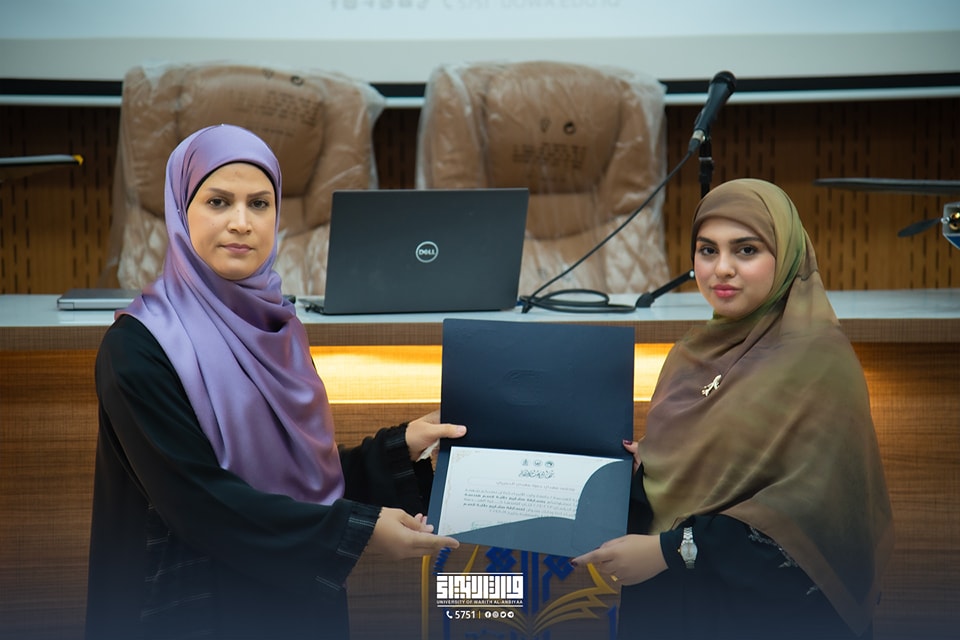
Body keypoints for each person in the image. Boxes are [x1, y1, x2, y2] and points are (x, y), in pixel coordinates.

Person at [85, 124, 464, 640]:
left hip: (289, 604)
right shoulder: (139, 346)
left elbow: (297, 481)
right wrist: (357, 531)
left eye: (259, 204)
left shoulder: (278, 329)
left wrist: (399, 450)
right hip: (190, 607)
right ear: (180, 210)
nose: (241, 223)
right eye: (218, 202)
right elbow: (199, 503)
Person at [572, 178, 893, 639]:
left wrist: (668, 551)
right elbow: (695, 472)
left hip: (760, 615)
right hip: (670, 603)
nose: (721, 268)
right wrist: (652, 465)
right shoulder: (689, 355)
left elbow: (812, 518)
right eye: (708, 250)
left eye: (746, 250)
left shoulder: (819, 362)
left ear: (787, 257)